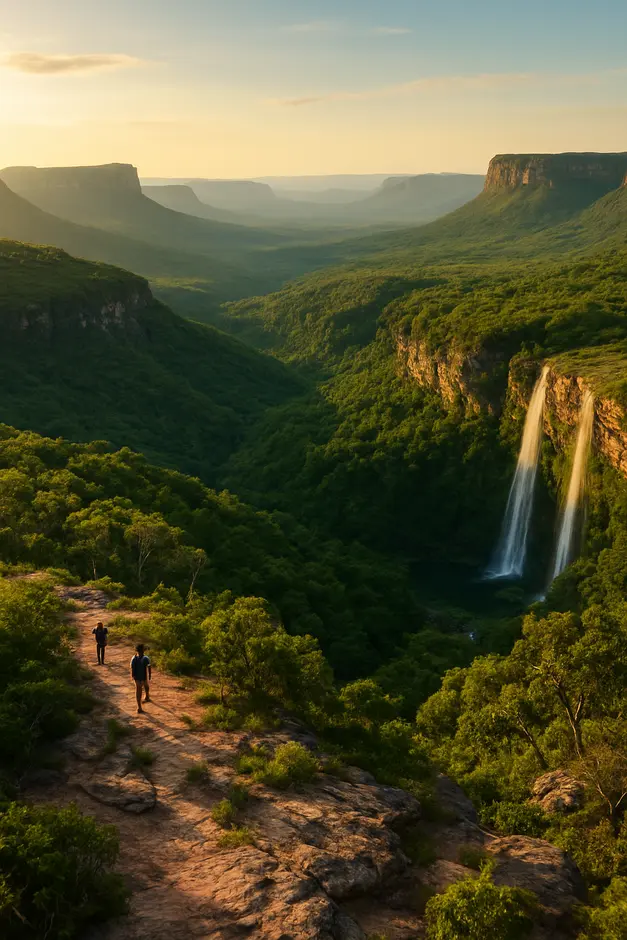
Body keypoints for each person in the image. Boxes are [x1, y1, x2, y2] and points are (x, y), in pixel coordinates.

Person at [130, 644, 152, 714]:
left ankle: (145, 698)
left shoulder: (136, 658)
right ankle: (140, 707)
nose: (141, 652)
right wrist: (149, 675)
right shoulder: (144, 658)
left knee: (142, 688)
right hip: (141, 677)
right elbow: (149, 667)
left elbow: (133, 670)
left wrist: (134, 678)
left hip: (140, 677)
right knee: (140, 690)